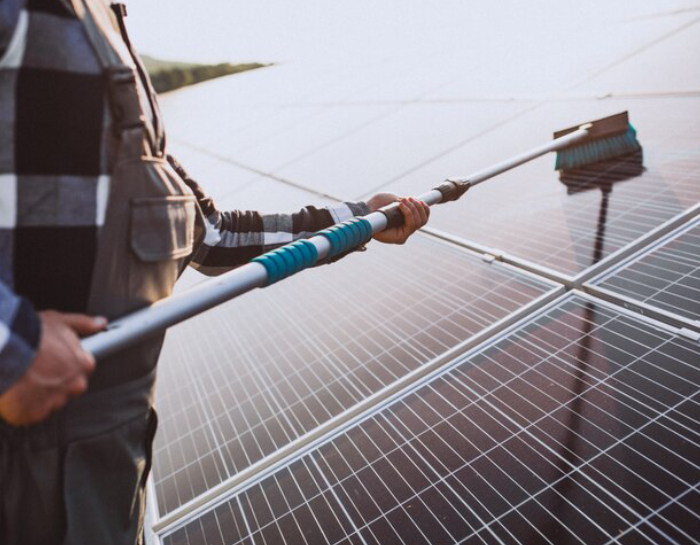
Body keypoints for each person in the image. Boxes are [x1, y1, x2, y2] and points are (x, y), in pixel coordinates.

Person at [0, 0, 430, 543]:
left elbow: (214, 235)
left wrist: (361, 221)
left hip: (106, 460)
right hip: (21, 468)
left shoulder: (109, 36)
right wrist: (11, 347)